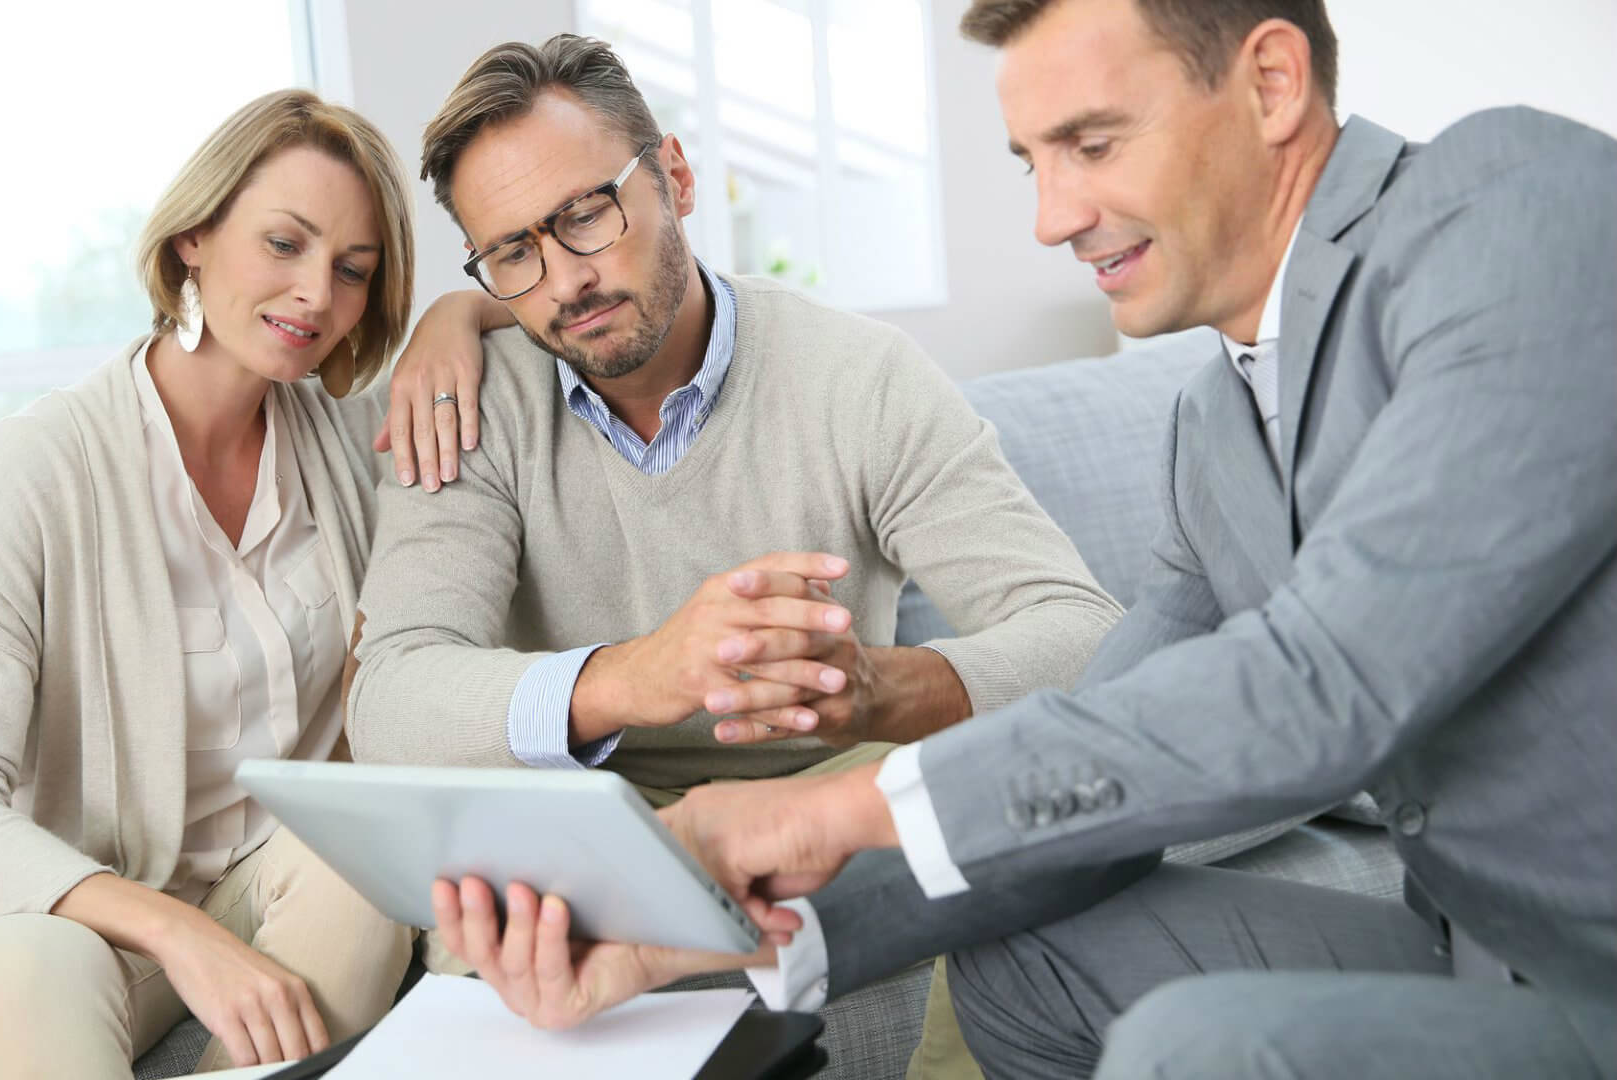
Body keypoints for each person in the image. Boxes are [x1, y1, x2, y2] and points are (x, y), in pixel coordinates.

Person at [432, 2, 1617, 1077]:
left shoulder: (1514, 207)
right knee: (1025, 957)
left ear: (1269, 82)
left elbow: (1326, 681)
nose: (1053, 217)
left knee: (1195, 1047)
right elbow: (1093, 758)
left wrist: (833, 807)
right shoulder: (1214, 427)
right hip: (1479, 951)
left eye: (1092, 144)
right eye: (1032, 161)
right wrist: (698, 945)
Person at [0, 89, 495, 1080]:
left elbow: (553, 313)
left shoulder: (352, 444)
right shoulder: (37, 465)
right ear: (194, 236)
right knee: (29, 970)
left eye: (353, 270)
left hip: (277, 888)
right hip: (67, 922)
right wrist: (179, 934)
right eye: (283, 243)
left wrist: (457, 312)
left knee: (359, 868)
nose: (315, 294)